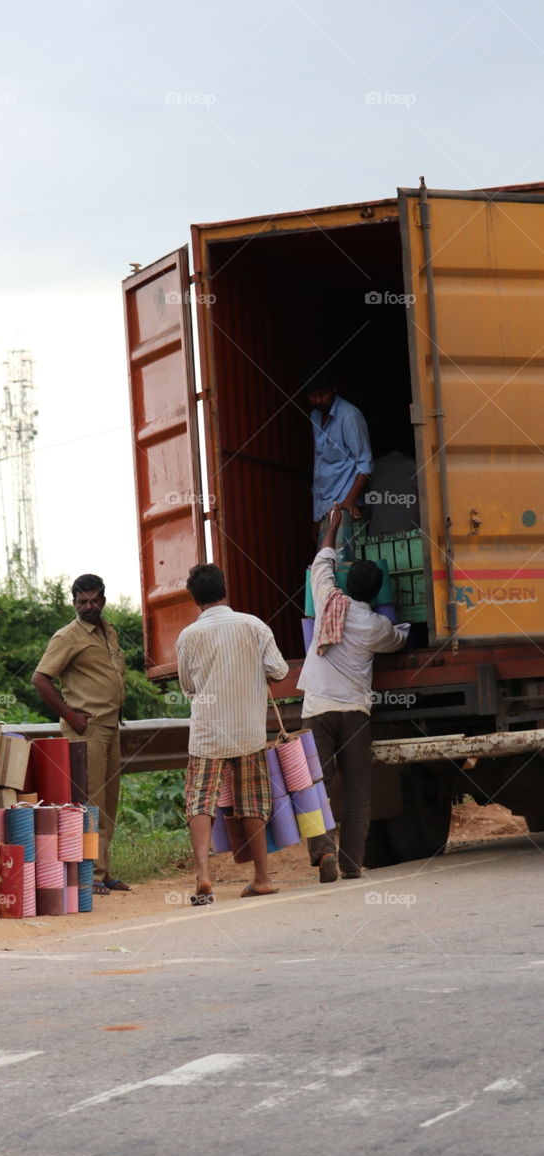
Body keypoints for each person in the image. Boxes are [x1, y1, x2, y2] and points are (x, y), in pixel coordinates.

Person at [298, 506, 410, 881]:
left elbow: (322, 560)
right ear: (377, 593)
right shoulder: (376, 625)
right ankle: (351, 861)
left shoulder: (328, 598)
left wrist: (333, 526)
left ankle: (323, 849)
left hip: (316, 707)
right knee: (358, 788)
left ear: (347, 585)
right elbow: (398, 639)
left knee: (317, 783)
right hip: (354, 712)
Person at [177, 563, 289, 905]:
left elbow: (188, 686)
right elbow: (279, 670)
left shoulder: (188, 636)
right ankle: (262, 877)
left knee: (200, 800)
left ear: (195, 598)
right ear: (225, 590)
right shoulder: (254, 626)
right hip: (248, 731)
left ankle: (203, 875)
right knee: (252, 801)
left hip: (208, 733)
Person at [32, 573, 129, 894]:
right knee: (89, 802)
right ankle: (88, 876)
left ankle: (104, 870)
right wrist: (70, 715)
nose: (88, 606)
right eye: (81, 601)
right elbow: (40, 679)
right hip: (86, 729)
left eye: (94, 600)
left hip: (111, 726)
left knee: (109, 802)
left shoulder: (108, 630)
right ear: (73, 603)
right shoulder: (67, 636)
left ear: (103, 599)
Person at [304, 364, 373, 562]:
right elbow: (320, 468)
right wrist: (317, 516)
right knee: (326, 567)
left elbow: (365, 463)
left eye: (322, 394)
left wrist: (349, 501)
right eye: (313, 395)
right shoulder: (315, 416)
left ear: (334, 389)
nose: (318, 400)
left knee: (340, 568)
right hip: (326, 509)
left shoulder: (350, 416)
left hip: (346, 508)